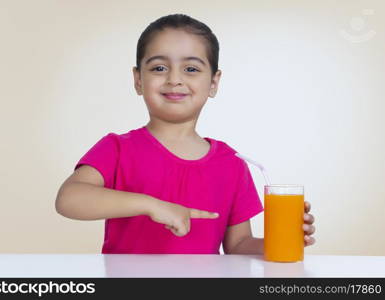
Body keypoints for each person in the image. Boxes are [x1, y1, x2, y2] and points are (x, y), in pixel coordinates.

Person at [55, 14, 316, 254]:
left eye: (191, 69)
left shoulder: (232, 164)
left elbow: (238, 245)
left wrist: (284, 240)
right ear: (138, 80)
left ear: (213, 83)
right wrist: (152, 205)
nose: (174, 79)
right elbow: (69, 199)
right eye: (159, 68)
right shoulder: (117, 149)